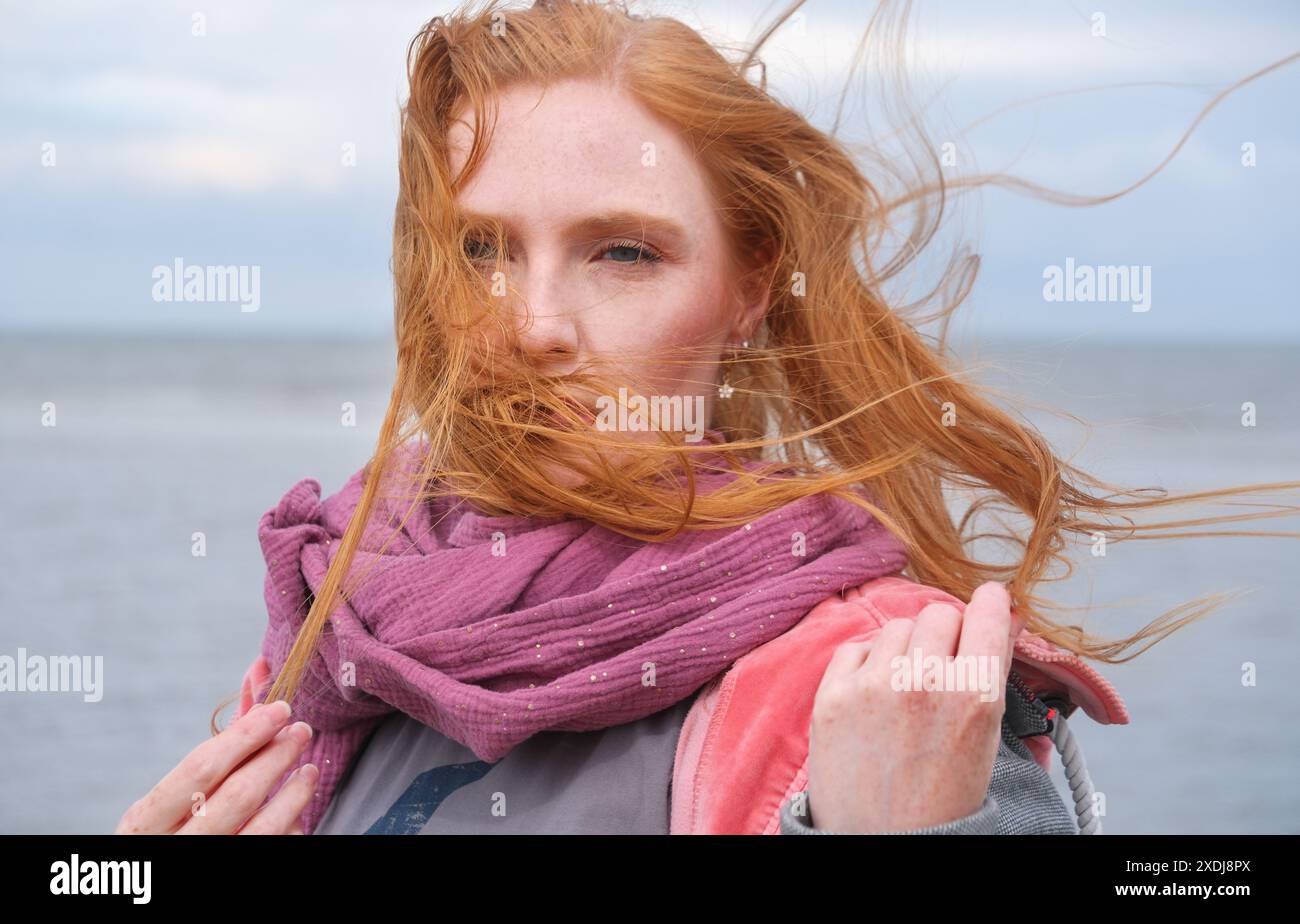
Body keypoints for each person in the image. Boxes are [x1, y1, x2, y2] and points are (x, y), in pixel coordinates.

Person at [114, 0, 1297, 836]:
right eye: (481, 249)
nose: (530, 324)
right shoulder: (351, 626)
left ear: (745, 289)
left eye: (622, 251)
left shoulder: (869, 688)